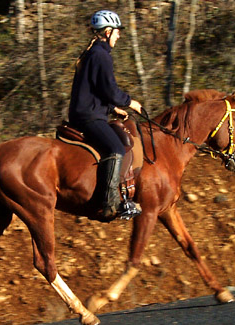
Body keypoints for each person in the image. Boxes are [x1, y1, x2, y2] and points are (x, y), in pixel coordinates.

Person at [68, 10, 142, 220]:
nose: (119, 36)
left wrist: (113, 109)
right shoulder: (101, 55)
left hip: (89, 112)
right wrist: (130, 102)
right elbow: (109, 89)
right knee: (117, 148)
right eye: (117, 32)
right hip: (89, 117)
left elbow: (94, 90)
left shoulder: (93, 53)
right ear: (108, 32)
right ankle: (111, 202)